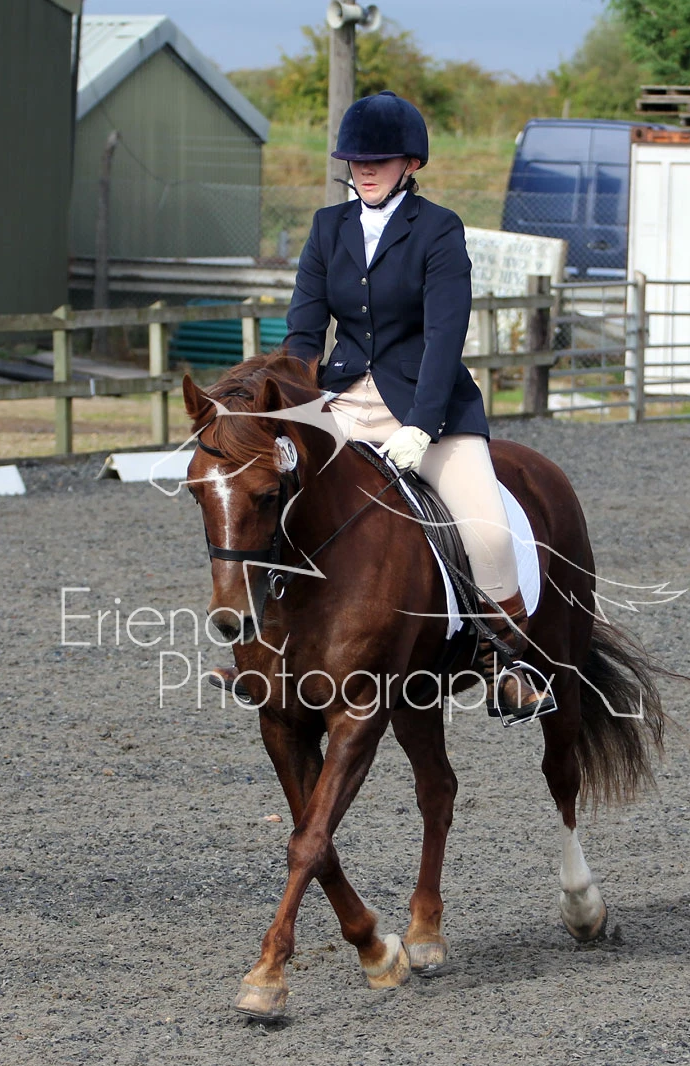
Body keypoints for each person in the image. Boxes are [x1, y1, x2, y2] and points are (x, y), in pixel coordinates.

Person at [283, 91, 553, 722]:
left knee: (486, 529)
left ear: (411, 164)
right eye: (356, 160)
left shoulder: (438, 228)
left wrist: (422, 426)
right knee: (269, 499)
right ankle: (265, 647)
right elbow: (303, 333)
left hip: (428, 408)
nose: (365, 169)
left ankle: (507, 663)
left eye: (379, 160)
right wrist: (292, 405)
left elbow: (444, 336)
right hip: (342, 401)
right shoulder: (327, 228)